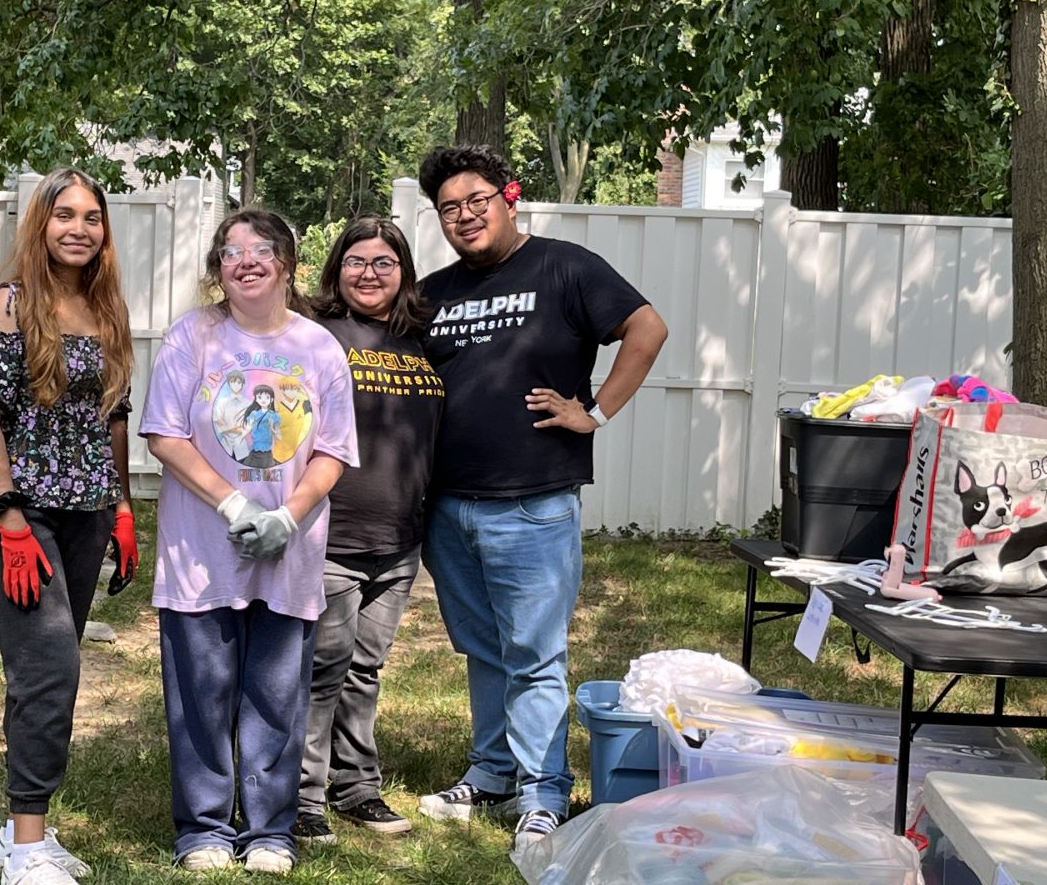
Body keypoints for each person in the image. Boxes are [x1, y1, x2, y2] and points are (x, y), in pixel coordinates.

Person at [413, 145, 668, 850]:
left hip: (533, 502)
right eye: (449, 209)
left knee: (534, 654)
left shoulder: (565, 267)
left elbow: (647, 329)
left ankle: (543, 791)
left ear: (509, 197)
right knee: (483, 649)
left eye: (476, 201)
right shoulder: (434, 292)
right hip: (449, 504)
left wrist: (596, 410)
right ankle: (494, 771)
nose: (464, 216)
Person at [139, 209, 358, 874]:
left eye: (262, 249)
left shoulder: (319, 347)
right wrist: (233, 501)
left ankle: (269, 830)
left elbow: (334, 449)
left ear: (288, 264)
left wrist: (287, 516)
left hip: (288, 554)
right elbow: (163, 433)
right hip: (200, 552)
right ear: (218, 268)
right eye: (231, 251)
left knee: (275, 693)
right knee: (200, 689)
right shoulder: (192, 337)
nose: (247, 260)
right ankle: (203, 827)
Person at [0, 167, 139, 885]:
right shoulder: (9, 304)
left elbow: (112, 419)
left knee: (51, 669)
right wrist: (8, 517)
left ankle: (20, 833)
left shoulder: (106, 307)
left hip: (87, 509)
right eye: (66, 215)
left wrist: (122, 508)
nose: (79, 229)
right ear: (41, 223)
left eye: (92, 217)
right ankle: (27, 850)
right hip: (16, 510)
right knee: (48, 664)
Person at [294, 217, 444, 844]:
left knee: (365, 668)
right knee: (322, 667)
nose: (369, 274)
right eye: (356, 261)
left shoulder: (425, 340)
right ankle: (301, 796)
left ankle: (356, 787)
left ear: (403, 272)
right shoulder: (314, 335)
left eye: (384, 263)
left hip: (399, 540)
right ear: (336, 270)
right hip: (331, 533)